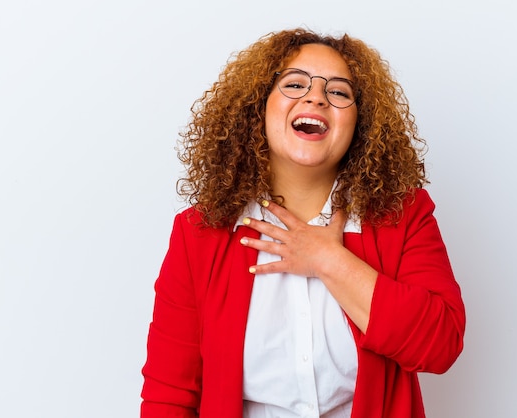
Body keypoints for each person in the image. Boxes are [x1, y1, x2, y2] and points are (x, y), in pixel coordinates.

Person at [140, 28, 465, 418]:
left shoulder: (404, 214)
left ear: (360, 123)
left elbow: (440, 345)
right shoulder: (199, 232)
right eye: (294, 84)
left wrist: (327, 259)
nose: (316, 97)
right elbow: (169, 396)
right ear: (257, 107)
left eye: (339, 92)